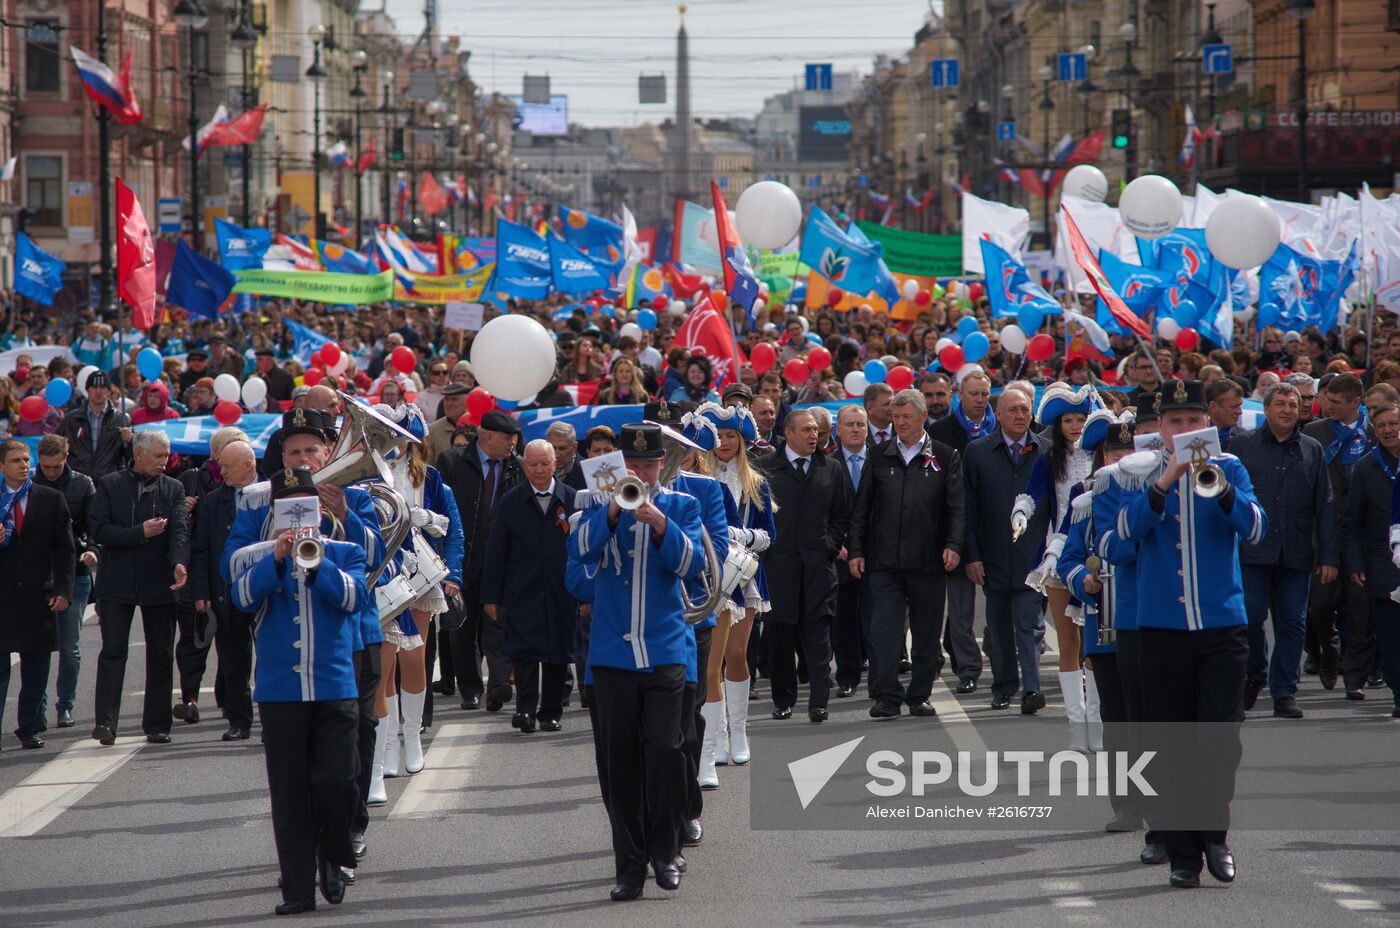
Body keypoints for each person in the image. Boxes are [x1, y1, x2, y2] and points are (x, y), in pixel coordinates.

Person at [1115, 379, 1265, 889]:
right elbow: (1119, 541)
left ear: (1209, 424)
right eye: (1174, 422)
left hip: (1222, 625)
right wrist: (1163, 484)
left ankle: (1214, 836)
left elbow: (1256, 528)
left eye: (1193, 421)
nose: (1184, 430)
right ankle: (1182, 852)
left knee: (1219, 741)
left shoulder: (1231, 468)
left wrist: (1222, 491)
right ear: (1159, 428)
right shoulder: (1136, 475)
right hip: (1160, 628)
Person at [223, 406, 387, 866]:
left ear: (328, 451)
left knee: (353, 742)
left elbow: (379, 558)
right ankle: (308, 850)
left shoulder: (357, 490)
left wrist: (345, 513)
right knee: (296, 760)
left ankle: (348, 830)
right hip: (289, 642)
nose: (301, 459)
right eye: (292, 451)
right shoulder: (260, 499)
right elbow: (231, 564)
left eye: (310, 450)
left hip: (354, 633)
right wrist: (274, 544)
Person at [565, 422, 706, 901]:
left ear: (661, 465)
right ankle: (629, 867)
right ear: (619, 466)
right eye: (633, 466)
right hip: (610, 656)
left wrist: (661, 525)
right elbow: (576, 567)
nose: (641, 473)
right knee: (618, 765)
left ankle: (665, 853)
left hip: (665, 651)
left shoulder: (680, 506)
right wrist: (611, 515)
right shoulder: (593, 509)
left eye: (648, 465)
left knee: (667, 754)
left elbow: (694, 567)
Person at [229, 468, 368, 915]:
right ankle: (297, 889)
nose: (297, 517)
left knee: (336, 780)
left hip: (333, 685)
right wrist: (277, 559)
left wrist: (316, 562)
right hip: (280, 691)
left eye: (305, 506)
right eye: (288, 507)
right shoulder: (258, 556)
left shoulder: (344, 551)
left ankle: (333, 854)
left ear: (319, 509)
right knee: (288, 793)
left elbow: (353, 599)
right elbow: (242, 599)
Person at [848, 389, 963, 719]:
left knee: (926, 634)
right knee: (884, 632)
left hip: (928, 561)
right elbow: (862, 509)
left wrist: (953, 546)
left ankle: (919, 695)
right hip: (884, 561)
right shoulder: (879, 454)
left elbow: (957, 508)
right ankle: (887, 696)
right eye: (895, 417)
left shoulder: (944, 455)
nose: (899, 423)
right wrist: (857, 549)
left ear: (923, 416)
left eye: (906, 418)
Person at [369, 404, 463, 798]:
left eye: (402, 437)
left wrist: (415, 516)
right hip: (383, 573)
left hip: (419, 571)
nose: (397, 444)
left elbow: (448, 525)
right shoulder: (369, 472)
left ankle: (413, 738)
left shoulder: (431, 476)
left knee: (414, 657)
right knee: (384, 661)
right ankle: (387, 746)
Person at [1228, 382, 1336, 718]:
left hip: (1297, 550)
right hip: (1253, 549)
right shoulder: (1243, 445)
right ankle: (1255, 672)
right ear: (1266, 409)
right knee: (1250, 618)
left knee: (1292, 623)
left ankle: (1284, 691)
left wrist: (1329, 556)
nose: (1288, 409)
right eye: (1280, 404)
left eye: (1293, 404)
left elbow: (1326, 504)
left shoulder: (1311, 448)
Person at [88, 429, 190, 746]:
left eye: (167, 455)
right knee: (113, 652)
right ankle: (106, 723)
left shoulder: (173, 487)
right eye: (159, 455)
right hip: (116, 583)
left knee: (160, 654)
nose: (165, 461)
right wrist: (140, 533)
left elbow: (180, 532)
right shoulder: (110, 484)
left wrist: (178, 562)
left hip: (160, 581)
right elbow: (100, 530)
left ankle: (158, 724)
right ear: (139, 453)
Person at [1014, 385, 1095, 747]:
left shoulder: (1105, 455)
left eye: (1081, 419)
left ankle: (1097, 720)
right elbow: (1032, 492)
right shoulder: (1049, 459)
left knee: (1096, 643)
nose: (1076, 426)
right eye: (1068, 420)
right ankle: (1077, 726)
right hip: (1059, 553)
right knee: (1068, 642)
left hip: (1100, 553)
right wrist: (1020, 513)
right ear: (1057, 424)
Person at [758, 409, 851, 723]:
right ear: (789, 432)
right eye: (808, 430)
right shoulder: (766, 467)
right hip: (779, 567)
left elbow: (842, 515)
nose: (814, 435)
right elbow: (757, 513)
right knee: (780, 639)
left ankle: (818, 702)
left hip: (817, 568)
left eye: (816, 430)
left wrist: (829, 546)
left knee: (818, 638)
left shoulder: (832, 469)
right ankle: (783, 700)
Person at [962, 387, 1050, 712]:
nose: (1018, 415)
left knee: (1027, 624)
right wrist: (972, 555)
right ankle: (1003, 686)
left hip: (1034, 557)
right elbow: (968, 508)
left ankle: (1032, 689)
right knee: (998, 629)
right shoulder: (978, 452)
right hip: (994, 555)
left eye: (1024, 410)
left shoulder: (1046, 450)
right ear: (997, 414)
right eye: (1011, 409)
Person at [481, 439, 578, 733]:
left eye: (544, 464)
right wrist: (491, 596)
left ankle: (550, 712)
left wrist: (586, 592)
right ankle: (524, 711)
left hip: (562, 590)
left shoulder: (571, 499)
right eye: (532, 464)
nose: (538, 470)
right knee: (524, 653)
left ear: (555, 464)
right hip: (522, 589)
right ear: (525, 466)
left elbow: (583, 549)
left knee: (557, 653)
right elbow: (496, 551)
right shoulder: (511, 502)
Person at [699, 402, 774, 767]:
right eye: (718, 436)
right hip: (706, 576)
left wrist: (736, 535)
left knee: (738, 654)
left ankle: (740, 730)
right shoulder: (697, 480)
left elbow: (769, 535)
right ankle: (718, 735)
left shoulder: (755, 484)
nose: (724, 442)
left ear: (742, 441)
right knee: (712, 661)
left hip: (743, 576)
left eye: (731, 436)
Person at [438, 409, 522, 711]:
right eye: (507, 439)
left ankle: (498, 685)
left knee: (498, 623)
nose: (513, 444)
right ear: (486, 437)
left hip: (500, 563)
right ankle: (470, 688)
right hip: (462, 559)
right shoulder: (452, 462)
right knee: (462, 628)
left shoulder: (516, 466)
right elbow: (440, 512)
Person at [1303, 372, 1376, 698]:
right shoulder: (1313, 432)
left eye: (1334, 402)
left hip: (1360, 532)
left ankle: (1355, 678)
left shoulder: (1372, 434)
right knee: (1320, 604)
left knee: (1358, 607)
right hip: (1325, 531)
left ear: (1355, 403)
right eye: (1326, 399)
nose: (1326, 406)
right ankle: (1325, 651)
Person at [0, 439, 75, 749]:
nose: (23, 464)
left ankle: (29, 727)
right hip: (2, 597)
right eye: (16, 460)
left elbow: (65, 549)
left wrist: (63, 589)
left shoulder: (50, 498)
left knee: (36, 667)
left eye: (26, 459)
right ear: (2, 466)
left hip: (38, 596)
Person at [172, 425, 249, 725]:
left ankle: (229, 703)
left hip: (239, 579)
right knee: (196, 640)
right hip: (202, 575)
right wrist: (184, 511)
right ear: (216, 454)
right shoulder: (193, 479)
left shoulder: (256, 488)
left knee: (233, 648)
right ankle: (189, 697)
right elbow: (182, 532)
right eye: (228, 449)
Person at [929, 369, 996, 692]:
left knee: (1000, 607)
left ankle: (997, 654)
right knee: (960, 610)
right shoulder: (941, 431)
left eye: (984, 394)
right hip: (955, 528)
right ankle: (968, 668)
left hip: (994, 531)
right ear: (960, 395)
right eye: (974, 394)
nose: (980, 400)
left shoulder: (1000, 428)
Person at [188, 438, 260, 742]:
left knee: (271, 660)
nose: (221, 472)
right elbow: (201, 549)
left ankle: (273, 720)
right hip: (226, 593)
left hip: (266, 590)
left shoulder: (272, 494)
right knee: (232, 663)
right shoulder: (213, 501)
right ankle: (239, 720)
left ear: (249, 465)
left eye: (227, 467)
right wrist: (201, 592)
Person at [33, 434, 96, 730]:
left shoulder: (82, 484)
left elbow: (96, 523)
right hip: (36, 576)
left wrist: (93, 550)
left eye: (57, 466)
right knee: (37, 647)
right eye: (46, 467)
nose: (51, 472)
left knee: (69, 647)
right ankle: (37, 708)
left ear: (66, 459)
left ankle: (65, 705)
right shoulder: (27, 485)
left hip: (74, 574)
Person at [1342, 402, 1400, 719]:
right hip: (1382, 562)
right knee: (1390, 637)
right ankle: (1398, 692)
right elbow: (1353, 522)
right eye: (1382, 426)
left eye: (1394, 423)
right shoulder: (1366, 467)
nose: (1389, 430)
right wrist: (1355, 563)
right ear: (1373, 431)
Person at [831, 405, 873, 697]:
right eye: (850, 424)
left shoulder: (883, 460)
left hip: (877, 552)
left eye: (860, 424)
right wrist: (837, 545)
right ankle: (847, 675)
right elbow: (822, 511)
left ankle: (880, 677)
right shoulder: (828, 464)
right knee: (844, 617)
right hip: (841, 553)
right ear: (838, 430)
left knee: (877, 616)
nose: (856, 429)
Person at [61, 371, 133, 481]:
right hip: (78, 481)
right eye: (94, 387)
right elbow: (59, 450)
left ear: (109, 391)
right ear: (87, 390)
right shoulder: (71, 419)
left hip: (109, 482)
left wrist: (128, 442)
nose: (98, 391)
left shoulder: (121, 419)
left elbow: (131, 458)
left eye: (103, 387)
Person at [425, 382, 470, 466]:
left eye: (454, 399)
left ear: (467, 401)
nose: (449, 404)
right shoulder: (434, 430)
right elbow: (427, 465)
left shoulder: (477, 427)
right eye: (446, 399)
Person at [545, 421, 587, 490]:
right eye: (552, 448)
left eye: (562, 449)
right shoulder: (539, 470)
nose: (556, 455)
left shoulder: (588, 472)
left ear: (574, 447)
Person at [1207, 379, 1245, 445]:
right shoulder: (1196, 438)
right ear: (1213, 407)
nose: (1240, 412)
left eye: (1240, 406)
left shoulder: (1244, 439)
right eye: (1234, 407)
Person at [863, 382, 894, 447]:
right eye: (887, 404)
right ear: (870, 409)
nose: (892, 407)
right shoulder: (856, 432)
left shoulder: (905, 430)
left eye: (893, 403)